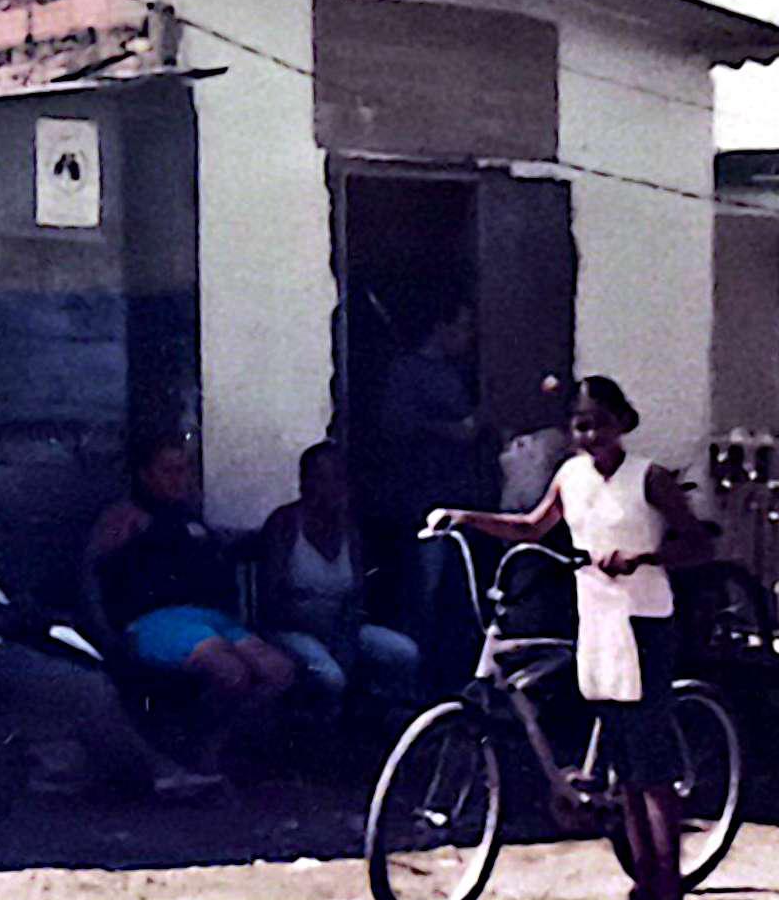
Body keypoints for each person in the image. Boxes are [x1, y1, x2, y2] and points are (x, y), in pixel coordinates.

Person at [431, 376, 713, 900]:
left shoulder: (649, 479)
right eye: (581, 425)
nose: (590, 435)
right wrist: (466, 517)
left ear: (623, 424)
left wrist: (643, 556)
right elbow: (532, 526)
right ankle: (642, 888)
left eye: (600, 424)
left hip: (645, 622)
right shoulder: (571, 477)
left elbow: (698, 544)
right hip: (597, 621)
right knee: (623, 768)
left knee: (653, 768)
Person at [0, 441, 226, 803]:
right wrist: (43, 624)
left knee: (91, 670)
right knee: (88, 687)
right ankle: (152, 771)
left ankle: (119, 767)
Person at [86, 436, 299, 773]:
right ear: (145, 475)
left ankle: (216, 741)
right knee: (230, 672)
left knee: (279, 670)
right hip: (156, 621)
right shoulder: (125, 518)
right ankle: (189, 748)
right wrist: (107, 636)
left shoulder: (191, 518)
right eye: (168, 471)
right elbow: (92, 576)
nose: (179, 479)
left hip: (213, 620)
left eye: (184, 470)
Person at [254, 441, 424, 724]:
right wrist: (316, 626)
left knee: (404, 652)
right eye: (324, 478)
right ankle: (319, 736)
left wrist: (343, 630)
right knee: (329, 675)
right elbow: (270, 602)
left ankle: (385, 721)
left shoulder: (349, 528)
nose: (333, 487)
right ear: (305, 482)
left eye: (339, 478)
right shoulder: (284, 523)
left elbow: (358, 592)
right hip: (291, 630)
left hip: (340, 628)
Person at [373, 300, 493, 656]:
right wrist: (451, 430)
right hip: (423, 500)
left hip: (462, 499)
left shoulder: (458, 372)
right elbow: (394, 424)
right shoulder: (407, 370)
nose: (469, 337)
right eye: (463, 326)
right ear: (440, 326)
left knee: (459, 593)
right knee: (424, 591)